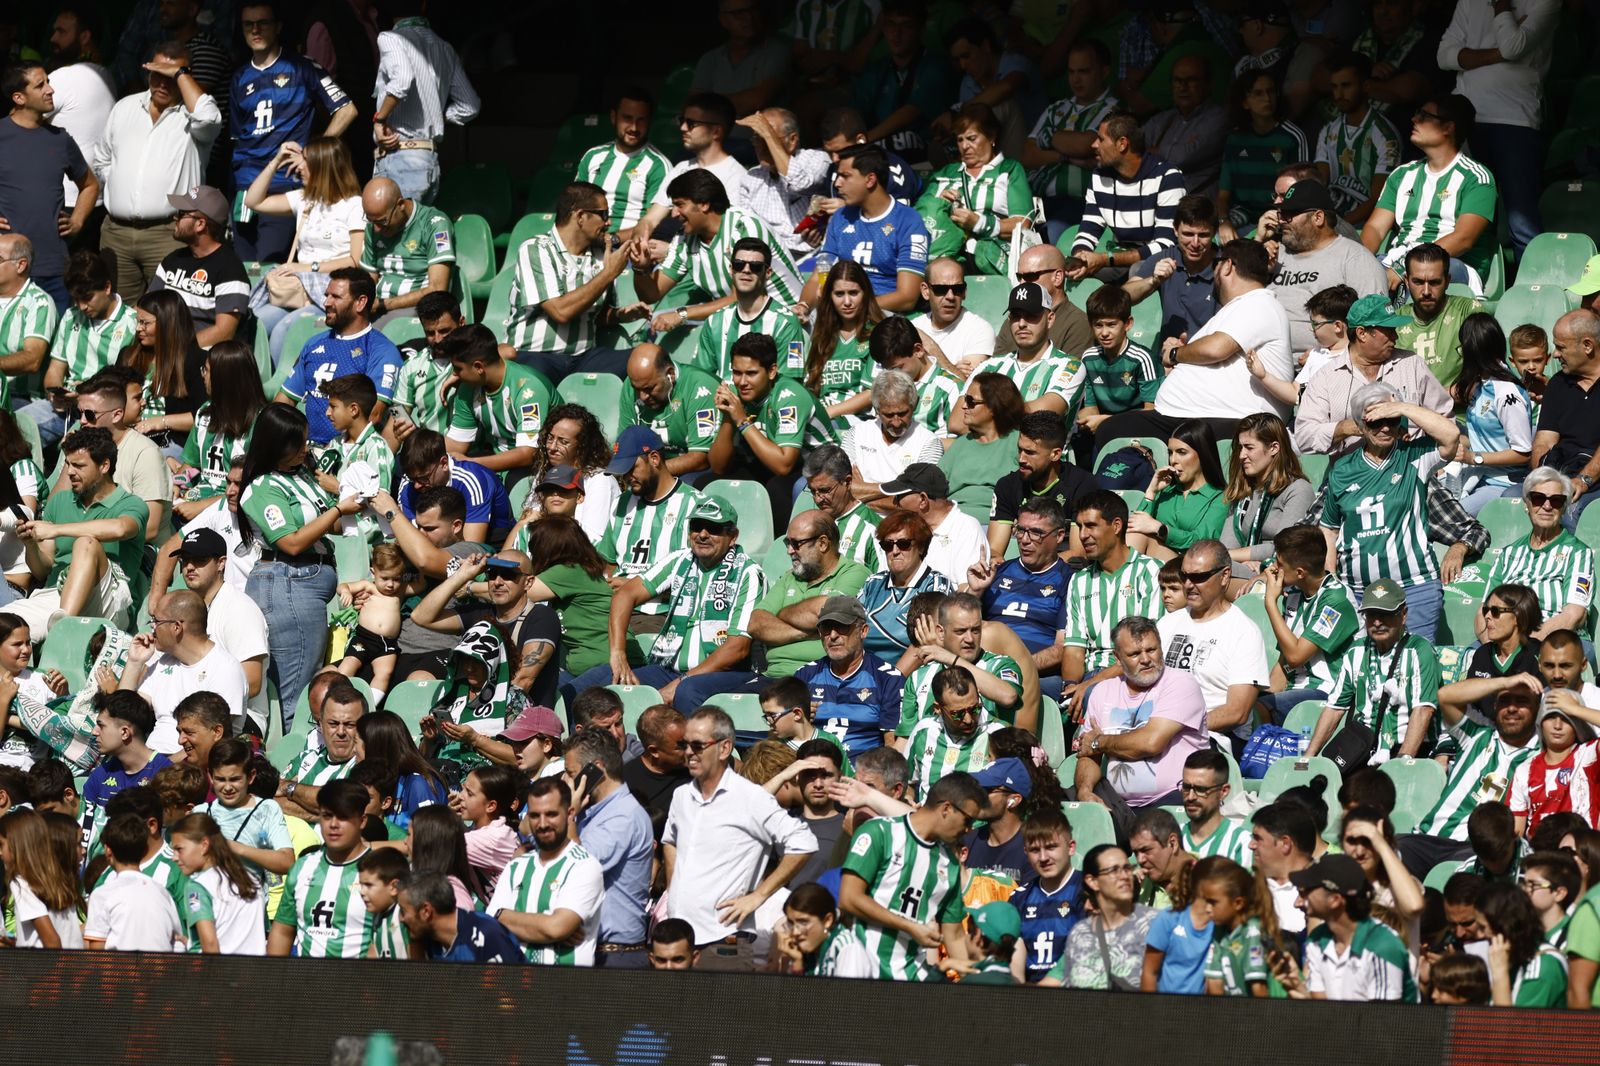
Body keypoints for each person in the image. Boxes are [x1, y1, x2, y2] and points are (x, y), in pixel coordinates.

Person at [1096, 240, 1293, 457]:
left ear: (1227, 266)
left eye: (1216, 265)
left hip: (1234, 419)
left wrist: (1174, 354)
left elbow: (1216, 349)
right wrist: (1185, 354)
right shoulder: (1239, 308)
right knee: (1112, 430)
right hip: (1185, 416)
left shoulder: (1258, 303)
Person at [663, 707, 817, 968]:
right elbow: (670, 841)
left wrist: (759, 896)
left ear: (724, 749)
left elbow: (804, 843)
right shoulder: (681, 795)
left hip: (723, 941)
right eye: (684, 744)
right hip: (679, 939)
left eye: (698, 745)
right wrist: (674, 889)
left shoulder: (750, 797)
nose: (689, 752)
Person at [581, 497, 765, 711]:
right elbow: (625, 595)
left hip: (725, 673)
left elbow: (737, 649)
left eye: (713, 528)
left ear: (732, 537)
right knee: (612, 687)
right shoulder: (680, 560)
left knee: (688, 691)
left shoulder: (749, 573)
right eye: (696, 527)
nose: (702, 534)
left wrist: (681, 682)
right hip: (669, 667)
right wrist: (618, 653)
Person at [1319, 379, 1464, 640]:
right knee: (1365, 671)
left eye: (1392, 420)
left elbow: (1451, 435)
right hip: (1359, 592)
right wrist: (1331, 583)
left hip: (1413, 588)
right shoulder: (1341, 469)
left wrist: (1402, 408)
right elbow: (1329, 529)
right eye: (1376, 422)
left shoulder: (1414, 456)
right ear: (1361, 425)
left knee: (1414, 667)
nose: (1385, 427)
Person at [238, 404, 358, 714]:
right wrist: (339, 509)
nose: (306, 449)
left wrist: (356, 503)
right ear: (275, 446)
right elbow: (290, 543)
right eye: (299, 444)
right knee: (295, 693)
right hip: (287, 586)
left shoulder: (300, 476)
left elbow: (326, 523)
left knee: (305, 682)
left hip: (302, 587)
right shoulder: (262, 487)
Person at [93, 39, 222, 300]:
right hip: (117, 232)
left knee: (169, 316)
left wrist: (180, 75)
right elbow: (101, 160)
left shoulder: (193, 116)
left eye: (172, 77)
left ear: (186, 78)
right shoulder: (124, 107)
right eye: (157, 75)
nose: (163, 84)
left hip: (169, 233)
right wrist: (121, 188)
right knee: (120, 318)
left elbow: (209, 117)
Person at [1436, 0, 1557, 257]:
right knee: (1469, 218)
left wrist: (1502, 7)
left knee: (1522, 222)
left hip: (1516, 119)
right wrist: (1498, 53)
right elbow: (1444, 56)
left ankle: (1532, 291)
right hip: (1467, 118)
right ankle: (1476, 289)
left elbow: (1513, 47)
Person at [840, 771, 982, 980]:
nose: (969, 830)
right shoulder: (879, 833)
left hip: (911, 981)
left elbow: (954, 935)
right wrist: (909, 926)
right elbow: (849, 898)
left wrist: (979, 980)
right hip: (858, 972)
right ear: (946, 809)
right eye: (967, 820)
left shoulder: (950, 864)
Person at [1076, 615, 1209, 838]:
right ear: (1117, 658)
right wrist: (1085, 790)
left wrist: (1100, 741)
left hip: (1171, 799)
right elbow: (1088, 754)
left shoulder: (1180, 683)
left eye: (1152, 650)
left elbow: (1151, 742)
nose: (1146, 659)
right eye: (1135, 654)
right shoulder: (1102, 692)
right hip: (1117, 803)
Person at [9, 426, 146, 636]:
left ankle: (62, 631)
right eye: (68, 464)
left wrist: (56, 530)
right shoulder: (60, 501)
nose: (70, 472)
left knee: (86, 543)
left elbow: (120, 528)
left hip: (108, 599)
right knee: (4, 625)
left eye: (79, 466)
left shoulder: (132, 504)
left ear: (104, 466)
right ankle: (61, 625)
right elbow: (42, 570)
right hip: (53, 595)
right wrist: (30, 545)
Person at [503, 181, 646, 383]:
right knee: (532, 382)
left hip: (584, 358)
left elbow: (597, 316)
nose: (608, 223)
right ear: (580, 216)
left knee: (647, 356)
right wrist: (609, 273)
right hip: (535, 355)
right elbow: (561, 312)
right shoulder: (536, 249)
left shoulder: (600, 255)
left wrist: (620, 315)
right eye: (603, 214)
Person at [1359, 93, 1498, 294]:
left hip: (1451, 267)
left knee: (1413, 281)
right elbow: (1375, 227)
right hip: (1395, 264)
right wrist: (1360, 264)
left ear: (1448, 128)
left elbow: (1463, 238)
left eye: (1424, 116)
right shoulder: (1401, 175)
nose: (1414, 119)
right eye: (1417, 114)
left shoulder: (1476, 177)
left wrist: (1405, 267)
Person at [243, 137, 365, 364]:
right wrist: (277, 159)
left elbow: (355, 260)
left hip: (327, 295)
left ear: (323, 166)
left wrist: (309, 267)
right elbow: (253, 201)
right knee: (256, 321)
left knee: (283, 331)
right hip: (297, 291)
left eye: (306, 160)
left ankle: (283, 393)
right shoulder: (305, 199)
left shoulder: (354, 205)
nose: (299, 165)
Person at [1397, 686, 1540, 876]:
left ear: (1537, 708)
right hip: (1428, 838)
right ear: (1495, 706)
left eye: (1521, 702)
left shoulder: (1541, 756)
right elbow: (1445, 696)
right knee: (1384, 853)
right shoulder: (1477, 735)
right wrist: (1508, 681)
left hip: (1476, 850)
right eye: (1504, 702)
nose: (1512, 709)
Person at [631, 169, 802, 328]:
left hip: (788, 320)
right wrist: (640, 268)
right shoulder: (684, 239)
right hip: (742, 321)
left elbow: (742, 298)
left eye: (680, 205)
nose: (674, 214)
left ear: (704, 204)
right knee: (655, 320)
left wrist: (683, 313)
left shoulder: (743, 227)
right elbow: (651, 295)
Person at [1295, 294, 1455, 461]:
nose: (1396, 337)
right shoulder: (1327, 377)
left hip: (1409, 472)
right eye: (1388, 330)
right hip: (1352, 478)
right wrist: (1346, 428)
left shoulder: (1412, 365)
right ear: (1362, 333)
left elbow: (1445, 419)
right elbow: (1304, 436)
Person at [1304, 577, 1441, 762]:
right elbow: (1334, 708)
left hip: (1406, 750)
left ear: (1404, 615)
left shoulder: (1419, 650)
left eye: (1385, 614)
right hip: (1363, 747)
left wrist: (1401, 763)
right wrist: (1308, 760)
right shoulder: (1356, 651)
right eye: (1371, 614)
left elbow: (1423, 710)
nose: (1377, 622)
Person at [708, 333, 836, 529]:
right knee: (708, 481)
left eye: (751, 373)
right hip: (770, 462)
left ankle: (784, 550)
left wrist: (742, 421)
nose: (742, 382)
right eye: (736, 372)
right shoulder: (735, 393)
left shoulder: (790, 396)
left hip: (817, 466)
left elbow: (783, 465)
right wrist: (728, 416)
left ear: (771, 371)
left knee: (777, 488)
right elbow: (718, 466)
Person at [1154, 540, 1271, 745]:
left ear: (1225, 576)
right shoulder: (1167, 623)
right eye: (1185, 576)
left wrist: (1176, 726)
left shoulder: (1244, 632)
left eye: (1198, 577)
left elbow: (1237, 712)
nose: (1189, 584)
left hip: (1215, 738)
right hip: (1160, 728)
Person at [0, 62, 97, 308]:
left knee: (57, 344)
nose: (50, 90)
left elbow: (89, 185)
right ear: (19, 97)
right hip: (7, 269)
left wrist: (77, 221)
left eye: (49, 82)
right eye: (40, 85)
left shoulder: (60, 139)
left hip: (54, 267)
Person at [274, 267, 402, 449]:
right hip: (303, 451)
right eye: (327, 295)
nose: (326, 302)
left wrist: (335, 453)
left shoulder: (381, 351)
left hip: (348, 456)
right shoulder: (314, 344)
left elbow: (373, 415)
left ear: (360, 302)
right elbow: (284, 401)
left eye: (336, 297)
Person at [24, 251, 138, 451]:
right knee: (17, 429)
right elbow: (55, 371)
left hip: (104, 414)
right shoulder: (70, 317)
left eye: (87, 298)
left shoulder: (131, 323)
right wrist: (55, 394)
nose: (81, 306)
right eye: (76, 299)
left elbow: (128, 386)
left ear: (107, 287)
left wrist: (85, 394)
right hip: (65, 409)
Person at [370, 0, 479, 204]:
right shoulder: (444, 47)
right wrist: (437, 117)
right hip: (428, 159)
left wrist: (379, 119)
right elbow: (470, 105)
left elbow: (402, 80)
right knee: (416, 234)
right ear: (423, 6)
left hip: (400, 158)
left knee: (395, 234)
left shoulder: (390, 37)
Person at [1266, 179, 1390, 355]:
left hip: (1318, 370)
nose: (1283, 220)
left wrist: (1330, 355)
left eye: (1290, 214)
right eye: (1282, 214)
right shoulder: (1272, 253)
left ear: (1318, 217)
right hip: (1257, 360)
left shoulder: (1355, 259)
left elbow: (1375, 329)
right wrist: (1255, 250)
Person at [799, 144, 927, 314]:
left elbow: (907, 298)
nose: (837, 183)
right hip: (842, 310)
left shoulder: (908, 221)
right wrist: (803, 307)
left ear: (870, 180)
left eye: (845, 176)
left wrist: (854, 308)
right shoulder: (841, 217)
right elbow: (819, 276)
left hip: (885, 316)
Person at [562, 728, 653, 967]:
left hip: (616, 955)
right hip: (590, 950)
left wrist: (569, 814)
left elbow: (576, 866)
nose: (566, 782)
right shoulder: (589, 812)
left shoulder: (624, 816)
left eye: (571, 773)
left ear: (597, 768)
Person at [1061, 490, 1164, 699]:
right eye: (1080, 527)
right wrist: (1070, 688)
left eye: (1090, 526)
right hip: (1089, 676)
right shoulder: (1079, 580)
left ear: (1116, 526)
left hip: (1132, 675)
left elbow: (1145, 652)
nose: (1082, 535)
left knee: (1092, 696)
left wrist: (1089, 686)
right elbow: (1074, 649)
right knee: (1029, 691)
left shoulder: (1150, 572)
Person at [1274, 853, 1419, 1001]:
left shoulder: (1383, 946)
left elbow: (1382, 1020)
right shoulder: (1317, 939)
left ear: (1335, 900)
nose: (1298, 902)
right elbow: (1320, 1008)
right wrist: (1299, 987)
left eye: (1306, 891)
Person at [966, 498, 1072, 699]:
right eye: (1020, 530)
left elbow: (1062, 649)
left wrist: (1012, 669)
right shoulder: (997, 572)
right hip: (984, 663)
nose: (1024, 539)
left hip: (1033, 673)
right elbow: (960, 625)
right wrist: (975, 591)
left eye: (1036, 533)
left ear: (1059, 536)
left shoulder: (1070, 581)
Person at [118, 590, 246, 753]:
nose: (152, 627)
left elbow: (211, 742)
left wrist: (156, 767)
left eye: (156, 621)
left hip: (189, 769)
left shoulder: (225, 669)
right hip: (152, 759)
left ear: (176, 627)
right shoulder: (163, 662)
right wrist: (134, 663)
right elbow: (122, 716)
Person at [1259, 524, 1361, 724]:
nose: (1273, 569)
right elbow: (1285, 662)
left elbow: (1296, 656)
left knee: (1257, 710)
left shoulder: (1336, 601)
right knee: (1245, 703)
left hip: (1328, 692)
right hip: (1295, 688)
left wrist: (1270, 602)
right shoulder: (1295, 594)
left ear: (1300, 572)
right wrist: (1263, 693)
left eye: (1279, 564)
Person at [918, 104, 1033, 277]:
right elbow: (921, 214)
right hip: (945, 259)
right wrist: (939, 202)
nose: (964, 146)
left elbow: (1023, 223)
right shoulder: (944, 173)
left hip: (991, 259)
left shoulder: (1009, 170)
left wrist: (979, 223)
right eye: (960, 139)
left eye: (971, 138)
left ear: (991, 136)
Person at [1068, 112, 1185, 281]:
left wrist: (1104, 259)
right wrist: (1080, 257)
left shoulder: (1167, 177)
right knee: (1076, 274)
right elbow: (1089, 227)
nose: (1094, 144)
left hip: (1162, 263)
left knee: (1138, 270)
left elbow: (1166, 244)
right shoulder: (1100, 177)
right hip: (1118, 258)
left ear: (1122, 144)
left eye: (1100, 139)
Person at [1481, 470, 1594, 642]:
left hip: (1558, 642)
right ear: (1527, 504)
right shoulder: (1509, 553)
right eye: (1538, 498)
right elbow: (1484, 610)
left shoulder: (1578, 553)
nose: (1547, 506)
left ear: (1563, 508)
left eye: (1556, 501)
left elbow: (1573, 615)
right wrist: (1491, 646)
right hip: (1504, 642)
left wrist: (1523, 646)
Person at [267, 778, 374, 957]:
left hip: (357, 982)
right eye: (327, 816)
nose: (333, 824)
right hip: (306, 982)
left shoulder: (378, 871)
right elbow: (283, 931)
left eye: (343, 817)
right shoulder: (301, 868)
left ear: (362, 821)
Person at [1023, 40, 1121, 232]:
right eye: (1072, 72)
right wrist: (1067, 157)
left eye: (1084, 71)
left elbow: (1087, 144)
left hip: (1085, 205)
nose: (1076, 79)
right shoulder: (1056, 108)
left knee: (1051, 233)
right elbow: (1027, 154)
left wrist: (1048, 136)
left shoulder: (1115, 109)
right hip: (1041, 201)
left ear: (1104, 72)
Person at [437, 324, 553, 478]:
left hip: (539, 467)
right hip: (496, 463)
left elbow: (528, 453)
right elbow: (456, 444)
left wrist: (472, 463)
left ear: (478, 367)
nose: (455, 374)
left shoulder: (528, 389)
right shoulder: (467, 389)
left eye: (457, 368)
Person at [633, 92, 748, 246]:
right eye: (682, 120)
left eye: (691, 123)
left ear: (716, 132)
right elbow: (650, 219)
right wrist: (640, 243)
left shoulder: (737, 176)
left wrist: (670, 251)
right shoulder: (681, 168)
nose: (683, 127)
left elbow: (726, 235)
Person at [690, 236, 807, 385]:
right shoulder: (715, 321)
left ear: (768, 272)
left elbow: (790, 385)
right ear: (731, 269)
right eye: (739, 265)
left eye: (755, 266)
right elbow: (699, 378)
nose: (746, 270)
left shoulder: (786, 323)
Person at [964, 283, 1085, 425]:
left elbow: (1045, 415)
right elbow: (956, 421)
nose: (1021, 323)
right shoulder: (989, 366)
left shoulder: (1069, 366)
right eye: (1016, 316)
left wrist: (983, 414)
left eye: (1031, 316)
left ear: (1050, 319)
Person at [1448, 313, 1532, 514]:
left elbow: (1523, 453)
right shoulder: (1479, 385)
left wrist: (1473, 458)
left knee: (1450, 519)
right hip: (1478, 476)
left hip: (1502, 483)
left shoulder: (1506, 393)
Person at [1222, 413, 1314, 585]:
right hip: (1243, 570)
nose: (1241, 455)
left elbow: (1286, 548)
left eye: (1249, 448)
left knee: (1208, 565)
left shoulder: (1298, 489)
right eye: (1240, 448)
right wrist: (1235, 558)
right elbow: (1227, 547)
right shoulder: (1242, 491)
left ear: (1274, 448)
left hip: (1277, 576)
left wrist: (1228, 556)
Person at [1049, 843, 1156, 989]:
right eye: (1114, 870)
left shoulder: (1155, 925)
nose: (1124, 876)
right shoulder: (1080, 934)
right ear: (1092, 881)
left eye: (1126, 868)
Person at [1217, 70, 1308, 240]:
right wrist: (1223, 222)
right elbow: (1223, 195)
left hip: (1280, 215)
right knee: (1213, 239)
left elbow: (1303, 192)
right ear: (1244, 102)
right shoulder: (1235, 139)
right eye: (1258, 93)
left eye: (1271, 91)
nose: (1267, 98)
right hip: (1242, 214)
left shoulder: (1292, 136)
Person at [355, 177, 455, 330]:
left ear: (400, 205)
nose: (376, 229)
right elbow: (368, 279)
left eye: (382, 222)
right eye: (370, 221)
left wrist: (385, 304)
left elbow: (437, 289)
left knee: (368, 336)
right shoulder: (374, 226)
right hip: (378, 307)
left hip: (416, 308)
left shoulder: (434, 224)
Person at [1315, 52, 1402, 226]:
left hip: (1366, 225)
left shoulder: (1385, 135)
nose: (1339, 94)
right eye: (1334, 87)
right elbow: (1319, 183)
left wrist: (1340, 226)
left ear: (1366, 86)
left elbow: (1380, 199)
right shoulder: (1328, 131)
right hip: (1331, 218)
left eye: (1346, 85)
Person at [736, 108, 832, 266]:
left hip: (815, 255)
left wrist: (768, 134)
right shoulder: (751, 178)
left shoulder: (816, 159)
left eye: (767, 139)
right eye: (757, 139)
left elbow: (800, 183)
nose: (761, 146)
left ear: (792, 140)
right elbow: (747, 229)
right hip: (772, 261)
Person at [1123, 194, 1221, 347]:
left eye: (1203, 235)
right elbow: (1124, 297)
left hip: (1210, 356)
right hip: (1168, 355)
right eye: (1188, 234)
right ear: (1175, 230)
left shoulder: (1226, 266)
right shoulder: (1165, 257)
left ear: (1214, 233)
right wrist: (1153, 281)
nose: (1195, 243)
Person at [575, 87, 672, 235]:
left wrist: (611, 240)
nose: (634, 127)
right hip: (584, 242)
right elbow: (574, 204)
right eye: (627, 118)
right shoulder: (592, 156)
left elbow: (652, 225)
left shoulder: (658, 166)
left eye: (641, 120)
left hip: (625, 249)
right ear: (614, 117)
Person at [82, 811, 184, 951]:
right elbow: (177, 940)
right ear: (144, 849)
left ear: (107, 851)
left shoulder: (102, 895)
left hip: (118, 971)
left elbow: (97, 952)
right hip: (161, 971)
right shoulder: (163, 893)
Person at [1128, 420, 1228, 561]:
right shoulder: (1167, 490)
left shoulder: (1220, 496)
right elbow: (1136, 525)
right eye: (1170, 453)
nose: (1173, 460)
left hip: (1190, 565)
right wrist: (1151, 492)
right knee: (1137, 534)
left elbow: (1204, 542)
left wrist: (1161, 529)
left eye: (1181, 452)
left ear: (1203, 454)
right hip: (1153, 561)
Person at [169, 811, 267, 955]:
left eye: (179, 849)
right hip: (256, 973)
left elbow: (210, 945)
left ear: (204, 845)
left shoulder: (197, 887)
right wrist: (191, 942)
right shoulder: (252, 880)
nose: (174, 857)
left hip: (221, 974)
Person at [855, 513, 950, 661]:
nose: (895, 551)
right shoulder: (873, 584)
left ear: (920, 546)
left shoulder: (936, 585)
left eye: (903, 544)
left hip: (907, 678)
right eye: (887, 545)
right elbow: (852, 630)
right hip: (865, 671)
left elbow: (926, 645)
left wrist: (892, 681)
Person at [1076, 285, 1162, 445]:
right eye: (1098, 325)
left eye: (1111, 324)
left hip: (1139, 434)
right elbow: (1091, 407)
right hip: (1103, 431)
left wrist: (1107, 422)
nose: (1104, 333)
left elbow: (1152, 414)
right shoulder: (1089, 358)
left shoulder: (1142, 359)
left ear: (1128, 324)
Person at [804, 259, 883, 426]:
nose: (847, 302)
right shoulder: (820, 335)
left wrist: (827, 413)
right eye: (839, 294)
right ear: (829, 296)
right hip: (819, 414)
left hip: (859, 420)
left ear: (865, 293)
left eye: (853, 293)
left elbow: (871, 393)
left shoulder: (878, 334)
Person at [939, 372, 1024, 525]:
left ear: (993, 406)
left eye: (971, 401)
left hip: (1001, 524)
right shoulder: (961, 444)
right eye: (965, 399)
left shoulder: (1019, 442)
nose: (964, 406)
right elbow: (934, 487)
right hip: (955, 524)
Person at [1508, 696, 1597, 840]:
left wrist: (1576, 709)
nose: (1557, 725)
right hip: (1540, 857)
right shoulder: (1524, 770)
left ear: (1577, 724)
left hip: (1580, 856)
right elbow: (1516, 832)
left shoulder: (1589, 755)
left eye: (1567, 718)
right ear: (1540, 723)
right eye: (1550, 717)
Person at [1143, 55, 1229, 199]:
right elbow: (1127, 147)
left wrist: (1146, 152)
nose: (1183, 87)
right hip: (1157, 203)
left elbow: (1181, 158)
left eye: (1191, 80)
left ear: (1208, 84)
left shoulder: (1218, 118)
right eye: (1178, 81)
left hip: (1196, 209)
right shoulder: (1163, 120)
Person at [0, 806, 84, 948]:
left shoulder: (22, 883)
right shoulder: (57, 878)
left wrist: (54, 970)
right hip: (73, 964)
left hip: (47, 967)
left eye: (1, 845)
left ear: (18, 845)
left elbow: (52, 941)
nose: (0, 853)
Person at [396, 871, 522, 964]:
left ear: (426, 911)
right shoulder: (428, 940)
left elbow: (510, 995)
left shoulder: (486, 935)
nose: (401, 919)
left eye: (403, 911)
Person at [692, 1, 789, 117]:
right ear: (723, 20)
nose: (749, 17)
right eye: (739, 13)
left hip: (759, 135)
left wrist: (708, 104)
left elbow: (757, 101)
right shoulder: (710, 59)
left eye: (753, 10)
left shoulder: (776, 50)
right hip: (717, 134)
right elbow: (693, 107)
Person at [388, 292, 464, 438]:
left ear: (461, 323)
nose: (437, 339)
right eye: (430, 333)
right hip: (428, 456)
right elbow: (397, 412)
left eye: (444, 331)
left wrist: (459, 372)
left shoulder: (476, 355)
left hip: (471, 455)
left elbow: (508, 352)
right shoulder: (411, 366)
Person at [802, 444, 883, 572]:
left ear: (848, 482)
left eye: (825, 490)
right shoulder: (809, 525)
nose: (818, 499)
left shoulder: (873, 530)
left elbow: (883, 584)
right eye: (813, 491)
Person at [904, 260, 995, 373]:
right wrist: (953, 369)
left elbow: (967, 384)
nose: (950, 296)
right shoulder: (913, 327)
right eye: (941, 289)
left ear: (964, 292)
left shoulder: (980, 330)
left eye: (957, 289)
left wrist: (931, 348)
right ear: (925, 291)